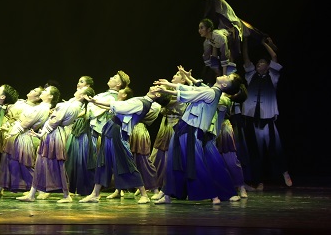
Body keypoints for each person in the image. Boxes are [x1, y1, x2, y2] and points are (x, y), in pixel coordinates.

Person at [154, 67, 245, 204]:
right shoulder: (211, 90)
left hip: (192, 129)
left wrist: (166, 90)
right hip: (185, 126)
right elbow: (193, 88)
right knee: (174, 161)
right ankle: (168, 194)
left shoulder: (213, 93)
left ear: (225, 84)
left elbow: (190, 94)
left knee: (196, 163)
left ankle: (214, 195)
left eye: (227, 77)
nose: (224, 75)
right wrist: (169, 84)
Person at [79, 84, 166, 204]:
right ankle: (95, 193)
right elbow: (117, 106)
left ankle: (144, 194)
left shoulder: (142, 103)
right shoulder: (142, 100)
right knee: (103, 161)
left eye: (158, 88)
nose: (156, 86)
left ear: (158, 94)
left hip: (118, 131)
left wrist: (96, 101)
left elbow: (119, 107)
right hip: (111, 129)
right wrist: (95, 102)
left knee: (125, 162)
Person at [178, 0, 277, 70]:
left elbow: (257, 36)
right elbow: (258, 35)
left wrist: (267, 42)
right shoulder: (242, 31)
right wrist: (267, 41)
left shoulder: (230, 35)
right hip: (230, 23)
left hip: (229, 24)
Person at [17, 86, 90, 203]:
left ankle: (66, 195)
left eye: (80, 90)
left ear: (82, 96)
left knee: (56, 165)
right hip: (53, 133)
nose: (77, 89)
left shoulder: (70, 106)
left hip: (53, 134)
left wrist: (42, 133)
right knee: (40, 163)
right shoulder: (73, 105)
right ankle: (32, 193)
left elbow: (55, 121)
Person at [242, 38, 292, 189]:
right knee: (255, 153)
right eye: (258, 62)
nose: (259, 64)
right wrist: (245, 43)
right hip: (253, 119)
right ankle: (259, 181)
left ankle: (284, 172)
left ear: (268, 66)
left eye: (262, 62)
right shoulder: (251, 76)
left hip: (268, 119)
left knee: (275, 149)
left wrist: (264, 43)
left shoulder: (273, 76)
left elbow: (274, 57)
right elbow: (246, 59)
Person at [0, 85, 46, 199]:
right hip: (8, 133)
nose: (31, 90)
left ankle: (39, 190)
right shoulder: (19, 102)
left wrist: (11, 127)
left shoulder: (35, 109)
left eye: (35, 91)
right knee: (4, 162)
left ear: (38, 97)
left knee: (23, 163)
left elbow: (26, 123)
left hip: (20, 136)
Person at [149, 70, 188, 201]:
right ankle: (157, 186)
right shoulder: (169, 91)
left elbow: (169, 104)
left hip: (175, 127)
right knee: (158, 156)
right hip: (165, 126)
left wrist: (159, 95)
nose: (174, 76)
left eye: (177, 75)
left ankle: (167, 190)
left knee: (169, 159)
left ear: (183, 80)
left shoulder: (181, 93)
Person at [64, 76, 97, 197]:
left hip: (85, 132)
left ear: (88, 86)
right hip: (75, 131)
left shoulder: (91, 102)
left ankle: (86, 189)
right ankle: (71, 188)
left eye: (81, 82)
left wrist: (75, 114)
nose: (78, 84)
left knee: (83, 160)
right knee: (71, 160)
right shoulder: (74, 100)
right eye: (78, 81)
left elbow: (89, 114)